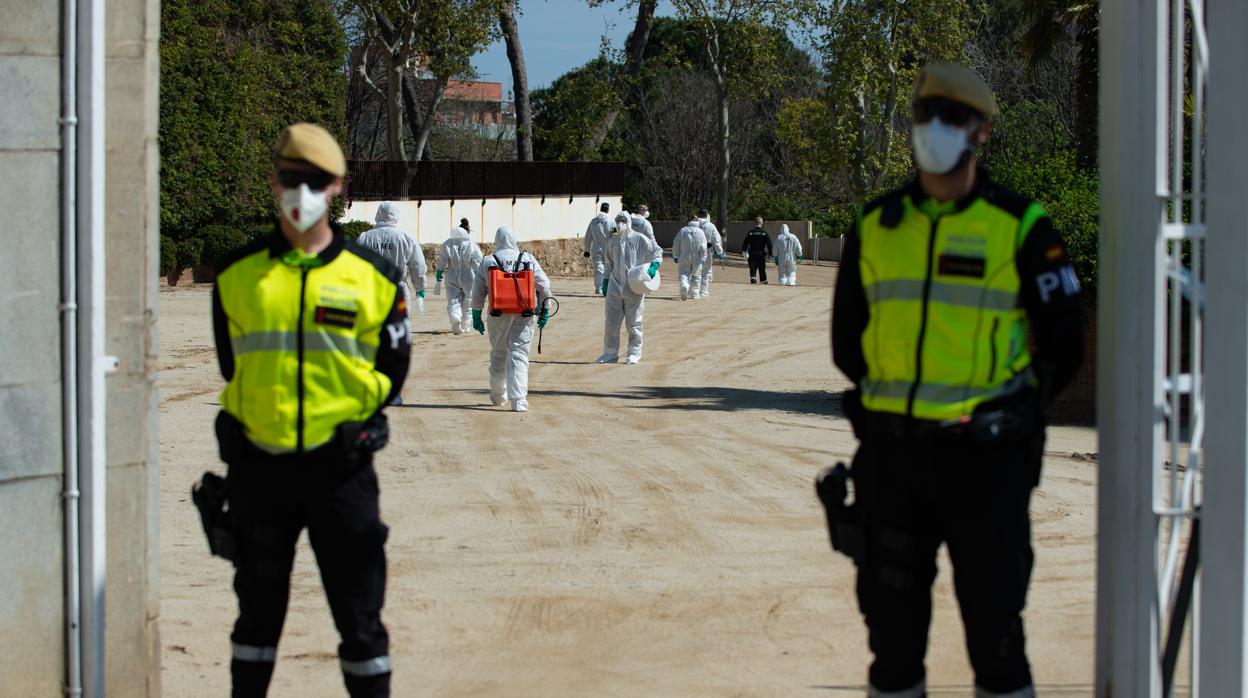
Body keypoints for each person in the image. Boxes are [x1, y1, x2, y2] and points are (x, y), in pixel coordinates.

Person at [827, 63, 1084, 698]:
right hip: (893, 461)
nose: (935, 129)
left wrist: (1011, 414)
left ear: (982, 132)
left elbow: (1065, 345)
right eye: (925, 116)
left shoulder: (1020, 227)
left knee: (996, 640)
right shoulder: (875, 226)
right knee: (892, 646)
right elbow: (847, 343)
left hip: (987, 465)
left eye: (952, 117)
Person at [210, 123, 408, 697]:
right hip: (259, 472)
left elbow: (393, 372)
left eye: (316, 181)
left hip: (341, 472)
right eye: (292, 179)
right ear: (274, 182)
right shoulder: (235, 275)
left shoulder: (373, 278)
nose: (303, 192)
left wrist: (347, 420)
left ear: (338, 187)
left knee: (361, 622)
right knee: (255, 622)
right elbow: (233, 365)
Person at [470, 226, 552, 412]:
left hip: (498, 313)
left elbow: (478, 292)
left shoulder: (488, 261)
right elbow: (544, 286)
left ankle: (499, 396)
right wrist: (544, 309)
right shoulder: (527, 259)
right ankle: (519, 400)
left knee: (499, 353)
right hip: (524, 312)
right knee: (519, 354)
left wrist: (476, 314)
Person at [597, 211, 662, 364]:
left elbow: (656, 251)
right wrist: (606, 281)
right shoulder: (612, 241)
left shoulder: (639, 239)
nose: (620, 223)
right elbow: (608, 263)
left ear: (629, 222)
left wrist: (653, 267)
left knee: (634, 322)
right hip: (614, 284)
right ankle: (610, 352)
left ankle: (634, 353)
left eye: (623, 220)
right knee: (611, 322)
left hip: (633, 285)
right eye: (618, 220)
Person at [355, 201, 428, 309]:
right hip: (398, 290)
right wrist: (420, 288)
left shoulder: (365, 237)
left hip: (372, 290)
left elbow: (356, 265)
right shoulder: (406, 238)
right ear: (396, 215)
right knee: (400, 323)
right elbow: (418, 265)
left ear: (378, 214)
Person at [435, 225, 483, 334]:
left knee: (453, 299)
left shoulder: (448, 243)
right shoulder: (471, 244)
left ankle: (455, 316)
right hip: (468, 274)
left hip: (452, 273)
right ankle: (466, 325)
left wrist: (439, 273)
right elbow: (477, 261)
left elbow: (442, 260)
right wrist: (480, 275)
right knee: (469, 299)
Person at [672, 217, 708, 300]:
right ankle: (695, 293)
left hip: (684, 255)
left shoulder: (683, 230)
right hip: (697, 256)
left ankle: (684, 284)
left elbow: (676, 243)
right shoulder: (700, 231)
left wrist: (675, 255)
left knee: (684, 273)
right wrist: (703, 257)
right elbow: (703, 247)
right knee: (696, 275)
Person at [583, 202, 613, 294]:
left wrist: (587, 250)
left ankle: (599, 288)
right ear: (608, 210)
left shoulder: (593, 221)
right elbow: (615, 235)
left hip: (596, 248)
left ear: (600, 209)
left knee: (598, 269)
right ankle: (609, 287)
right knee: (609, 268)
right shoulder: (612, 222)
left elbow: (588, 236)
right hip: (609, 248)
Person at [696, 208, 724, 298]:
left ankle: (693, 290)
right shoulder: (711, 226)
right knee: (705, 272)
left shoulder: (693, 224)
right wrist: (720, 252)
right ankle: (703, 292)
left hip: (693, 251)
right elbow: (716, 240)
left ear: (699, 215)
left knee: (693, 270)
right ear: (707, 215)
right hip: (706, 251)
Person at [741, 216, 773, 284]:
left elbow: (745, 243)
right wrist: (770, 254)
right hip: (761, 254)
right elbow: (769, 244)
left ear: (755, 223)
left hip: (752, 253)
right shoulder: (764, 233)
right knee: (762, 269)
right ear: (762, 223)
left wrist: (744, 251)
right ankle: (763, 281)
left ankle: (753, 278)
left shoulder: (750, 233)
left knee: (752, 268)